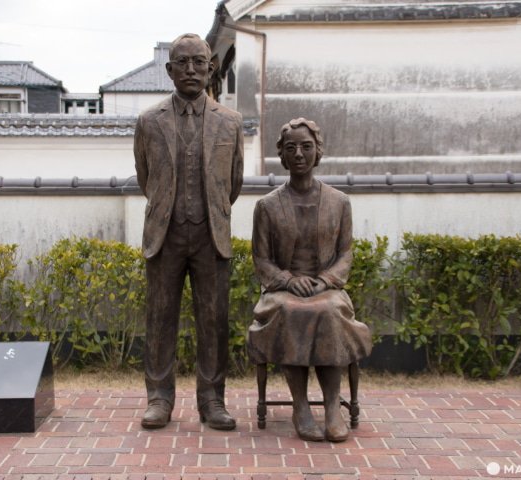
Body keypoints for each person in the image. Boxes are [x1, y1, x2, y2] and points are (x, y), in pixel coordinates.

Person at [134, 33, 244, 430]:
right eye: (183, 62)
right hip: (165, 234)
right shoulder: (149, 121)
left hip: (210, 234)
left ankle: (213, 400)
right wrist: (171, 209)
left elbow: (233, 182)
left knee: (213, 320)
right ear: (169, 70)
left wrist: (207, 212)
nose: (192, 70)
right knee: (160, 318)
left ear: (211, 67)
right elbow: (146, 177)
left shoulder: (230, 122)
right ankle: (159, 398)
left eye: (200, 62)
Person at [248, 118, 372, 442]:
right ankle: (300, 407)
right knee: (292, 311)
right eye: (291, 148)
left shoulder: (339, 202)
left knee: (328, 311)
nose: (299, 154)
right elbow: (261, 259)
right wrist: (287, 280)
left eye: (306, 146)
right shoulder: (267, 206)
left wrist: (326, 280)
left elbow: (346, 254)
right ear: (282, 156)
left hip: (326, 290)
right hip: (282, 292)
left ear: (318, 152)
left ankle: (332, 406)